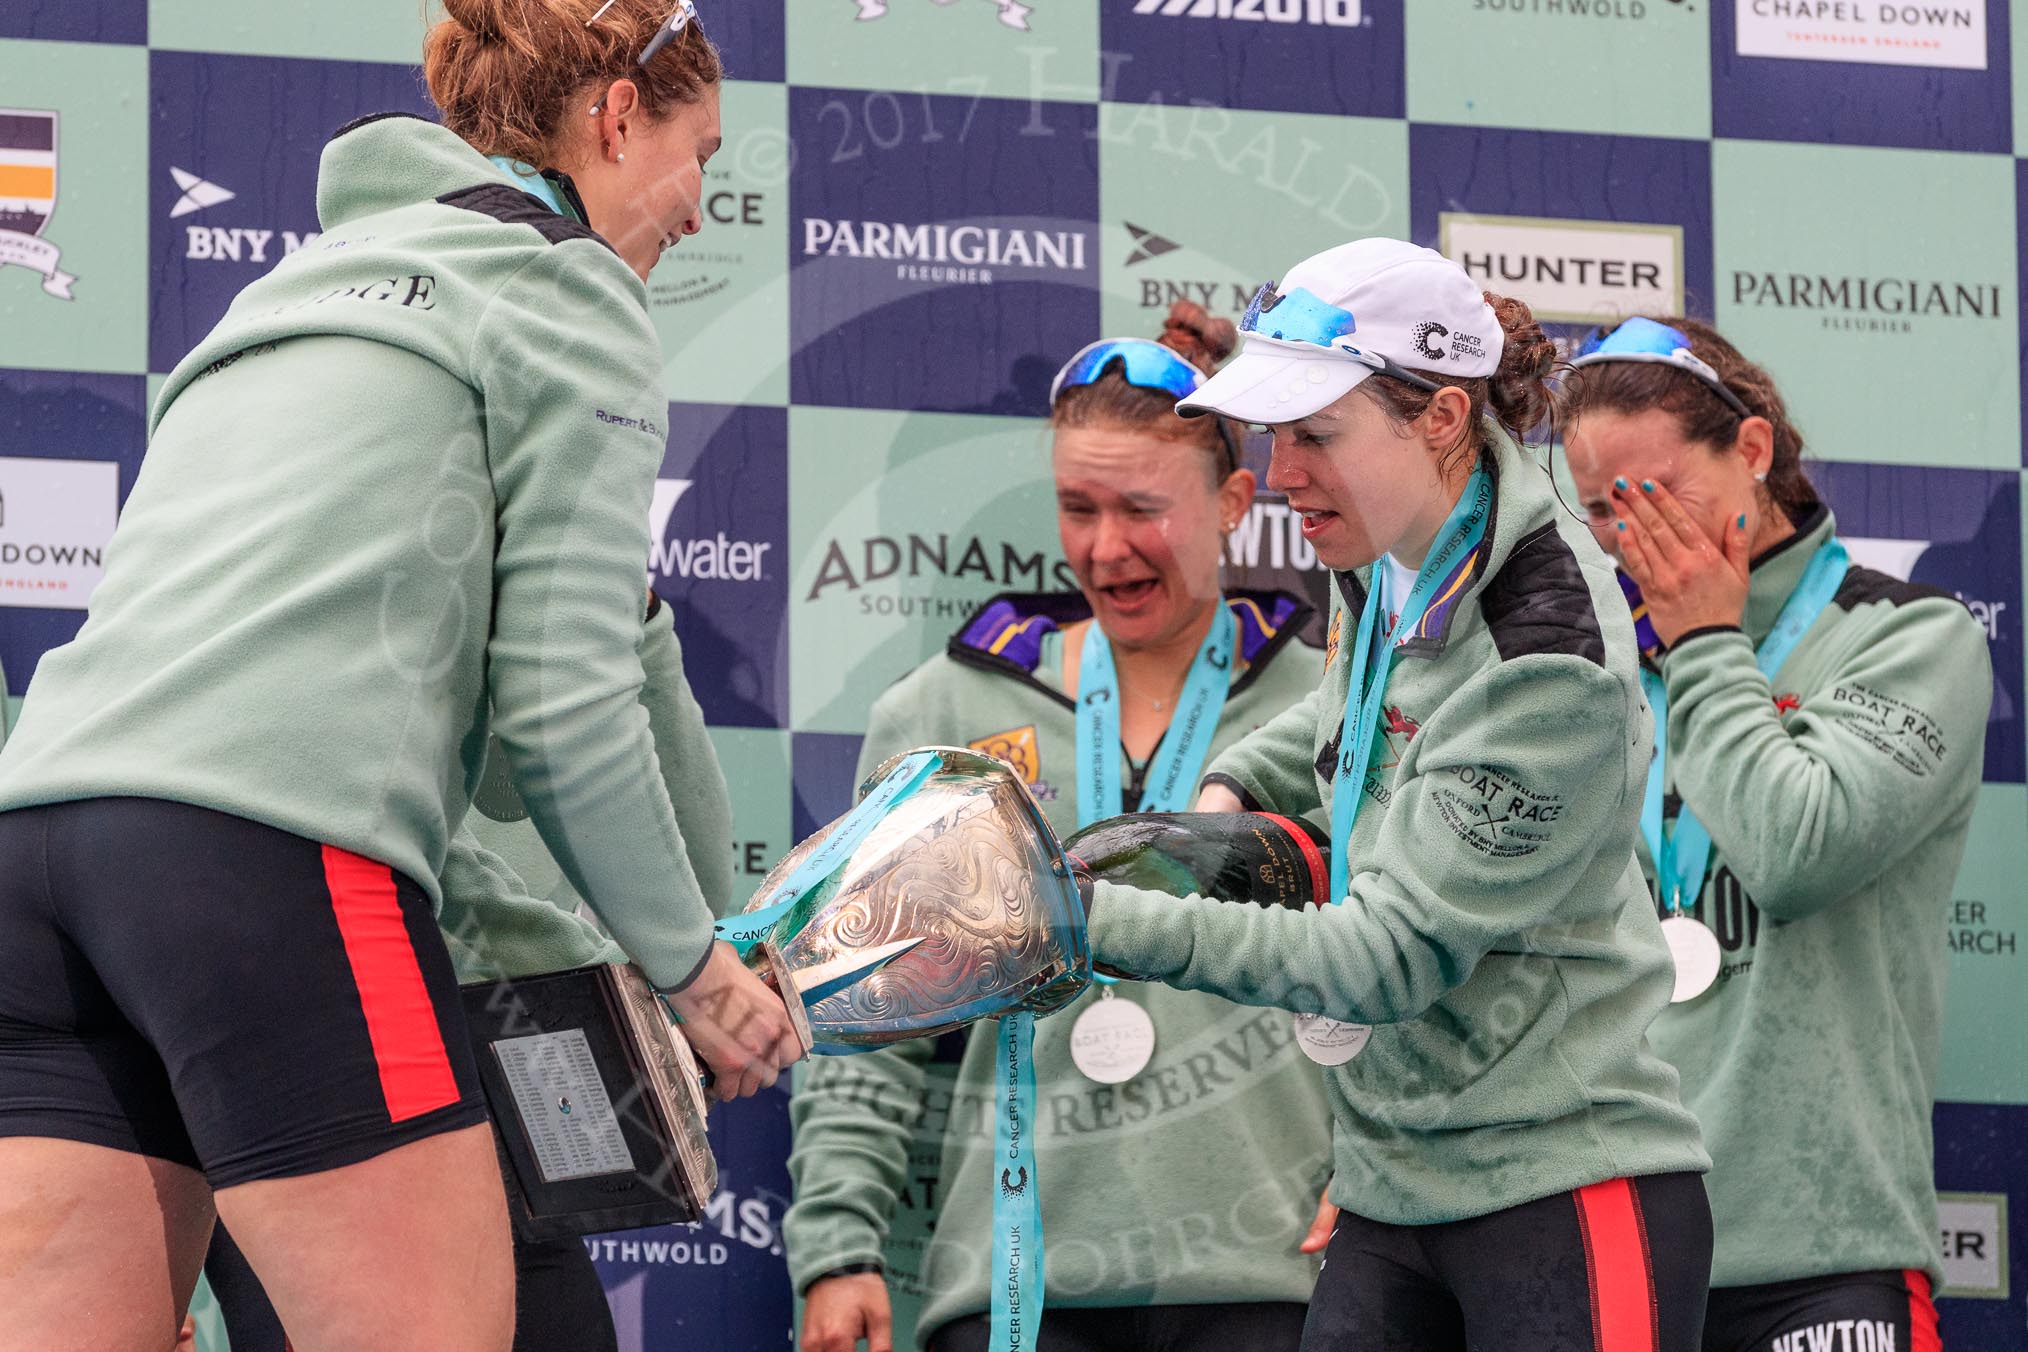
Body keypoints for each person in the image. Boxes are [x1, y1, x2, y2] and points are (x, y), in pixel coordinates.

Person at [0, 3, 803, 1349]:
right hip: (263, 859)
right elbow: (561, 711)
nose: (703, 207)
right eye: (699, 152)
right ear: (616, 117)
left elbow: (472, 725)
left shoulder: (291, 287)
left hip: (39, 857)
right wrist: (699, 971)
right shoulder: (564, 283)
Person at [1085, 240, 1715, 1351]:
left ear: (1440, 418)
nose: (1281, 474)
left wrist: (1087, 921)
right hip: (1389, 1188)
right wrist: (1235, 787)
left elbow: (1383, 960)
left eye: (1316, 435)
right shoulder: (1389, 543)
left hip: (1565, 1185)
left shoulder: (1547, 649)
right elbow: (1352, 705)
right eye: (1276, 435)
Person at [786, 304, 1337, 1352]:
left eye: (1141, 507)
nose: (1106, 546)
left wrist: (1377, 1172)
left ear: (1232, 501)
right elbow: (862, 1013)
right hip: (1016, 1289)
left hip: (1277, 1275)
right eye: (1076, 507)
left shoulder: (1332, 708)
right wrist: (839, 1243)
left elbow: (1406, 981)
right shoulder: (945, 719)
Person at [1558, 316, 1989, 1352]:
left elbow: (1798, 850)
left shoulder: (1908, 633)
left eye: (1653, 493)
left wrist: (1705, 639)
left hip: (1821, 1253)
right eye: (1600, 509)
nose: (1629, 536)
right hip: (1602, 1245)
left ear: (1752, 452)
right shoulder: (1592, 669)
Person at [201, 590, 737, 1352]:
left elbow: (698, 901)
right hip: (324, 1129)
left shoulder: (581, 643)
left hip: (507, 1145)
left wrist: (638, 618)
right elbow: (414, 870)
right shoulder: (354, 619)